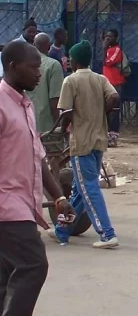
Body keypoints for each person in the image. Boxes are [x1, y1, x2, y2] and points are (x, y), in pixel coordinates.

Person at [0, 40, 76, 315]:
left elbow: (38, 157)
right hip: (6, 208)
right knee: (33, 265)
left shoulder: (25, 105)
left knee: (6, 278)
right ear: (13, 67)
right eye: (33, 68)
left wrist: (58, 197)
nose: (38, 74)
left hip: (22, 204)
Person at [52, 39, 120, 248]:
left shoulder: (70, 81)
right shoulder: (100, 79)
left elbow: (65, 112)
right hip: (99, 140)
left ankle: (107, 234)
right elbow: (114, 97)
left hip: (81, 142)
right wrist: (102, 113)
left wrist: (61, 130)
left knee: (88, 187)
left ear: (73, 61)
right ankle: (62, 230)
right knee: (79, 190)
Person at [26, 33, 64, 135]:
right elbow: (55, 100)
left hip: (26, 123)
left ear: (33, 45)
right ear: (49, 46)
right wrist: (58, 126)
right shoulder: (53, 65)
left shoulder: (24, 65)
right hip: (46, 127)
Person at [102, 29, 126, 148]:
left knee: (114, 112)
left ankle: (113, 137)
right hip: (106, 84)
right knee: (105, 110)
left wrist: (104, 48)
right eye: (106, 36)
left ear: (116, 38)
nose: (108, 38)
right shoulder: (107, 50)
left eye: (110, 36)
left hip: (115, 84)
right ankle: (106, 136)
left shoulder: (116, 50)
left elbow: (107, 63)